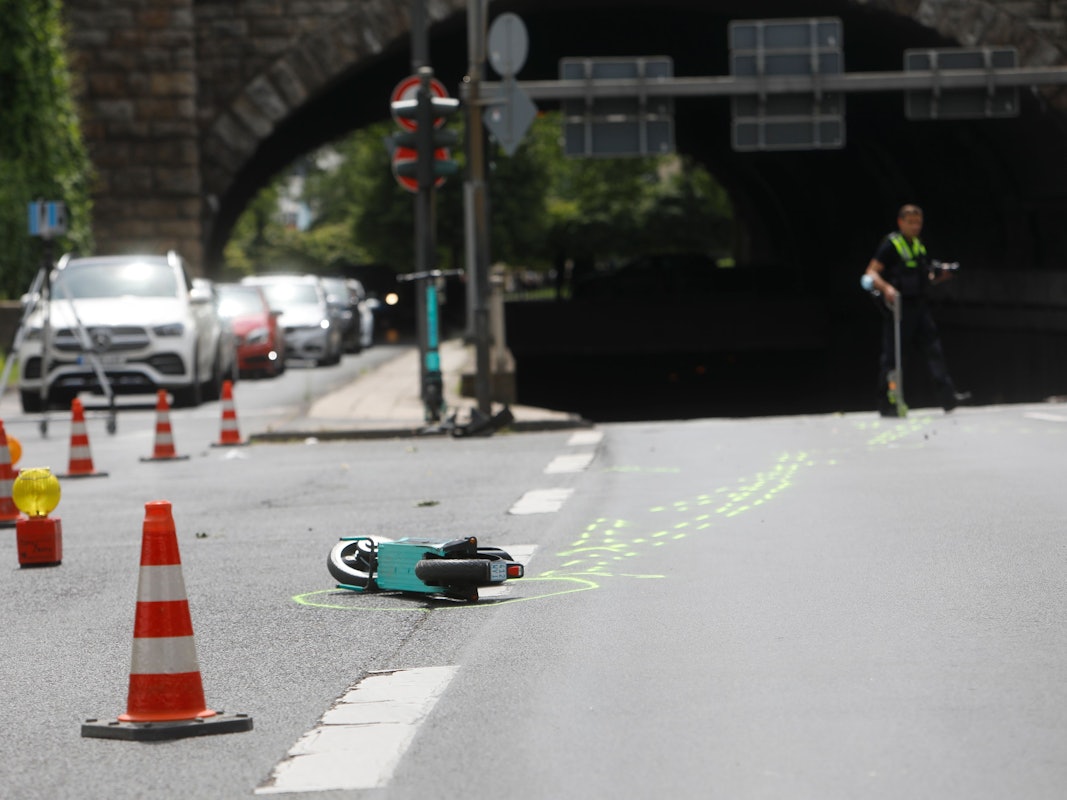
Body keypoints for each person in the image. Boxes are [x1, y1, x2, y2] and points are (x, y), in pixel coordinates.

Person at [863, 204, 969, 416]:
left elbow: (925, 276)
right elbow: (871, 273)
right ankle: (888, 402)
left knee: (934, 350)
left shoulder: (919, 245)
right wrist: (887, 288)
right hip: (899, 309)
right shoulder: (891, 245)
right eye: (910, 222)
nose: (915, 227)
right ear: (901, 222)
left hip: (920, 307)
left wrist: (942, 275)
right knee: (893, 358)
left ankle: (948, 398)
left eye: (918, 222)